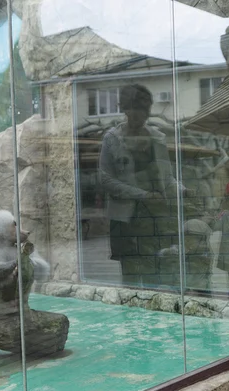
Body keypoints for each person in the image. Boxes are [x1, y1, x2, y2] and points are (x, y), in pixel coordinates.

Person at [99, 83, 184, 287]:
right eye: (132, 109)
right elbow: (106, 179)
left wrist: (183, 191)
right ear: (124, 109)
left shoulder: (158, 138)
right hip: (125, 219)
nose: (137, 115)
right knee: (130, 277)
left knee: (156, 272)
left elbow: (168, 178)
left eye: (142, 110)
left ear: (148, 111)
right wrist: (142, 195)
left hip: (156, 217)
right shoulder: (111, 139)